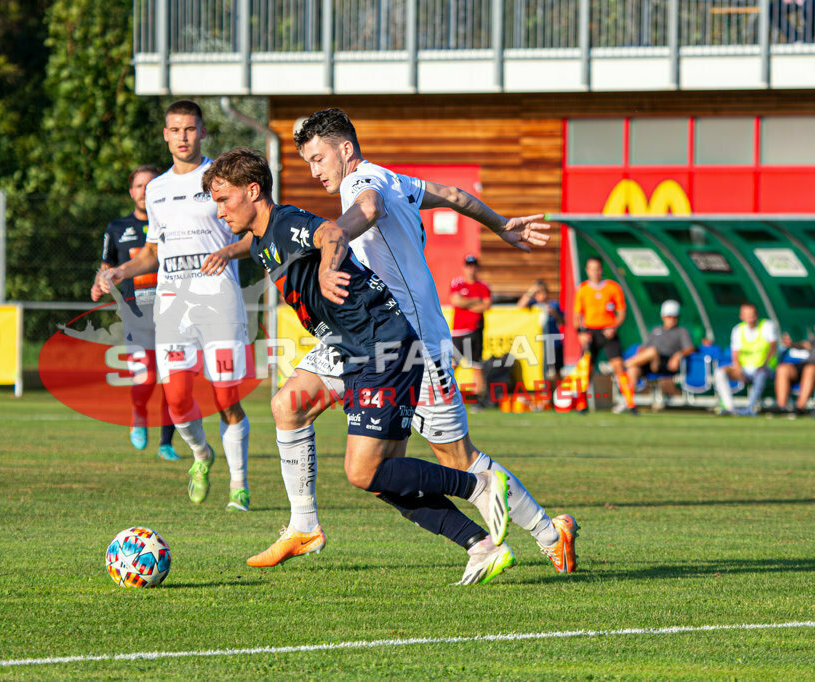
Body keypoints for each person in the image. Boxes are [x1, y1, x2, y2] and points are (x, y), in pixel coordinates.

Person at [203, 108, 577, 579]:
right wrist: (500, 223)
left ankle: (546, 531)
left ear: (345, 149)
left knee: (441, 461)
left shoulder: (361, 185)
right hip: (354, 334)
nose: (315, 171)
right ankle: (305, 524)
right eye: (308, 163)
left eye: (319, 159)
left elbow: (366, 211)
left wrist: (331, 249)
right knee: (291, 407)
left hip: (409, 340)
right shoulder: (394, 177)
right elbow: (454, 195)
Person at [100, 100, 251, 512]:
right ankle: (202, 456)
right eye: (175, 129)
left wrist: (231, 252)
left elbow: (254, 232)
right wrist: (119, 272)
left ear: (202, 132)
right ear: (165, 135)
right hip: (172, 305)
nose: (183, 136)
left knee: (225, 398)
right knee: (178, 400)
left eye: (190, 128)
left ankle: (239, 485)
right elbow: (152, 253)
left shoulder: (223, 177)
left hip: (217, 299)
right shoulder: (158, 189)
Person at [91, 164, 179, 460]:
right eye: (139, 186)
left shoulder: (173, 222)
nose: (145, 191)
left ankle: (166, 443)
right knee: (146, 376)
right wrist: (98, 282)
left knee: (172, 379)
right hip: (135, 314)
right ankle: (139, 412)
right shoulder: (117, 228)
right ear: (132, 192)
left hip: (170, 311)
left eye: (150, 185)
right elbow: (106, 265)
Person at [618, 300, 695, 415]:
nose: (671, 319)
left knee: (652, 351)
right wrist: (641, 355)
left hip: (665, 363)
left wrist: (678, 355)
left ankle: (622, 365)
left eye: (674, 317)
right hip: (649, 362)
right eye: (668, 316)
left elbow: (690, 348)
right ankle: (629, 402)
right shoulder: (656, 330)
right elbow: (644, 348)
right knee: (633, 369)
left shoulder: (681, 332)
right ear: (663, 316)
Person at [573, 257, 628, 412]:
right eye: (591, 268)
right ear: (587, 270)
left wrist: (614, 326)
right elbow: (576, 315)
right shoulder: (582, 289)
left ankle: (629, 403)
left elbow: (621, 312)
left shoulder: (612, 287)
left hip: (608, 332)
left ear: (601, 270)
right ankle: (581, 404)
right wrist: (580, 333)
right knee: (586, 369)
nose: (595, 272)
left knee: (618, 366)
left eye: (597, 268)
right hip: (591, 333)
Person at [713, 303, 777, 416]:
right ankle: (729, 407)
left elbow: (773, 347)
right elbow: (735, 354)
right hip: (744, 370)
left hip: (765, 368)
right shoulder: (738, 330)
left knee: (761, 374)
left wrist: (764, 365)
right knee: (720, 372)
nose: (751, 318)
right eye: (747, 315)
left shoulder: (767, 326)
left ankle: (750, 409)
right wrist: (737, 368)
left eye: (753, 315)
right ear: (741, 317)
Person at [450, 254, 491, 408]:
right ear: (464, 267)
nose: (471, 269)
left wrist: (466, 303)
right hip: (459, 332)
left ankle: (479, 398)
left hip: (475, 331)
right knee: (453, 365)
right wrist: (475, 301)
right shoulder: (458, 283)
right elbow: (455, 300)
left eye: (474, 266)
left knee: (477, 366)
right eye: (469, 266)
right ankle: (446, 394)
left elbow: (486, 305)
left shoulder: (483, 286)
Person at [516, 279, 564, 378]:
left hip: (553, 342)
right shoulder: (534, 305)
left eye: (543, 292)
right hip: (538, 344)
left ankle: (556, 390)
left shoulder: (553, 305)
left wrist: (554, 313)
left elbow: (563, 322)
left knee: (556, 370)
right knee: (543, 369)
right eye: (538, 293)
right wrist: (531, 291)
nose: (541, 295)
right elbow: (520, 306)